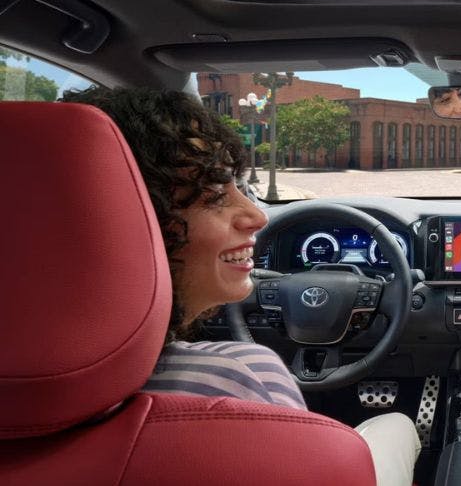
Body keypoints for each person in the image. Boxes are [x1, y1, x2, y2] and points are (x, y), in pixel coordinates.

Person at [60, 87, 421, 486]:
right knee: (397, 424)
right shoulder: (241, 373)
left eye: (242, 187)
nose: (256, 216)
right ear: (126, 218)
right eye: (215, 195)